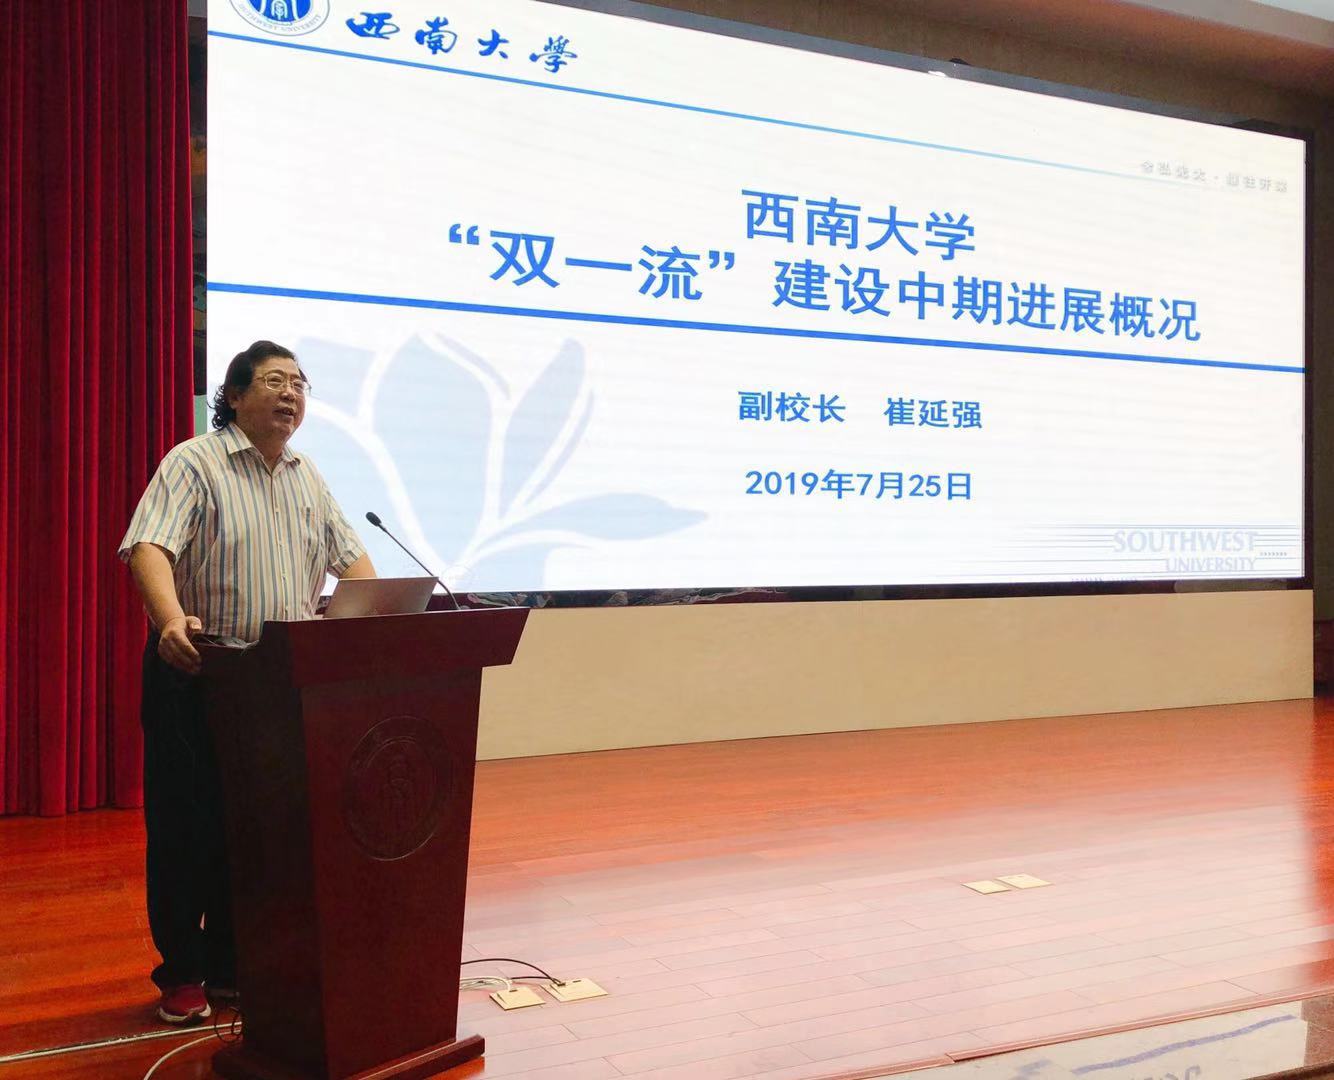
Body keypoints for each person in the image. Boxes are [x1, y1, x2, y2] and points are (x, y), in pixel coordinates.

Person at [119, 340, 375, 1023]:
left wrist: (370, 619)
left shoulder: (305, 475)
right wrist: (168, 621)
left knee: (259, 828)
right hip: (201, 668)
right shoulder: (194, 462)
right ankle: (182, 972)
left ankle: (233, 964)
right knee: (188, 828)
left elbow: (354, 563)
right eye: (274, 381)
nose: (291, 394)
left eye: (300, 383)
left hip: (280, 680)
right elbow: (149, 547)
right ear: (233, 396)